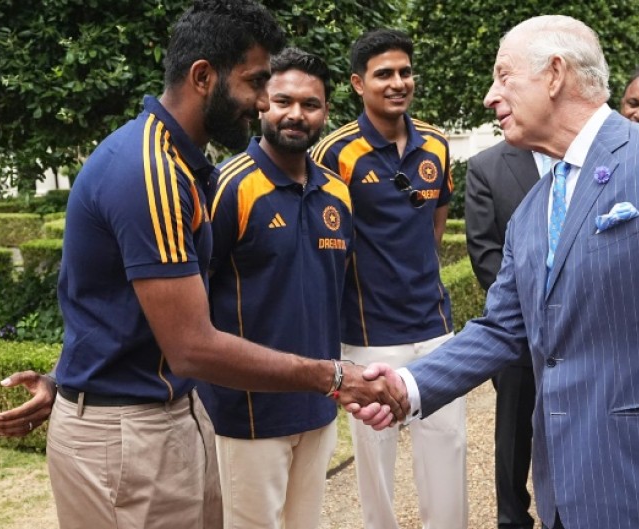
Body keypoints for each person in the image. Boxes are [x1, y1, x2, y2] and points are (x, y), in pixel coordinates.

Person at [355, 14, 639, 529]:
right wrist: (407, 385)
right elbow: (503, 328)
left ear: (555, 74)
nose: (491, 97)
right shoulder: (533, 209)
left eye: (504, 76)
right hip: (564, 490)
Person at [0, 3, 402, 527]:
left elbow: (123, 305)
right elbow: (191, 346)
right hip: (132, 432)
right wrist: (335, 376)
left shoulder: (182, 167)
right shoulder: (152, 172)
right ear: (204, 76)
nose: (262, 103)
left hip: (169, 418)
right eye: (256, 83)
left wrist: (66, 378)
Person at [311, 28, 466, 529]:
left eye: (405, 72)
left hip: (434, 327)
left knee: (448, 451)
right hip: (368, 335)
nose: (398, 83)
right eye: (384, 74)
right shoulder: (334, 152)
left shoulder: (436, 143)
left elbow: (434, 223)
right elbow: (326, 241)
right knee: (375, 468)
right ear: (359, 83)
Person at [197, 48, 350, 529]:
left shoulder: (338, 192)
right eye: (284, 100)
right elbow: (192, 299)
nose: (296, 114)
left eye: (311, 104)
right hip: (247, 413)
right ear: (263, 101)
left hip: (319, 403)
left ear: (325, 112)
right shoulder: (227, 186)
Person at [465, 141, 548, 529]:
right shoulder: (486, 166)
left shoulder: (585, 154)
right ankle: (512, 518)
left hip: (582, 330)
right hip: (518, 333)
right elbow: (485, 253)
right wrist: (534, 307)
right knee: (513, 436)